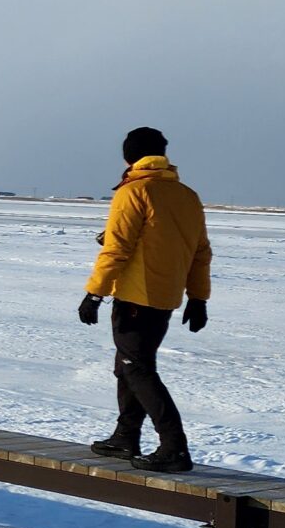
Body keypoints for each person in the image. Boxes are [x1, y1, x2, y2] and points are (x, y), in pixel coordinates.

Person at [79, 126, 210, 473]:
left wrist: (94, 293)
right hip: (166, 298)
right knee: (129, 365)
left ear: (128, 156)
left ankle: (174, 447)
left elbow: (116, 248)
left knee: (137, 368)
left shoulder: (134, 192)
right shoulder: (187, 196)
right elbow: (201, 252)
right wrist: (198, 298)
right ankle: (126, 436)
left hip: (136, 297)